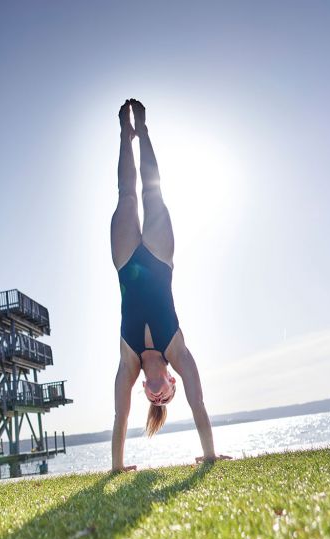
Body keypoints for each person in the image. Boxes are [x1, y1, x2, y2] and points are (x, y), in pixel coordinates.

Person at [111, 99, 231, 472]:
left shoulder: (128, 363)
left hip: (127, 262)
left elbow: (120, 418)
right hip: (160, 260)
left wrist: (117, 468)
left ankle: (123, 135)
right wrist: (210, 455)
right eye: (167, 398)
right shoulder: (176, 350)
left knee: (127, 196)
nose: (159, 396)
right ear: (173, 383)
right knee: (152, 193)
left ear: (148, 391)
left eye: (155, 401)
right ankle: (143, 131)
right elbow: (199, 403)